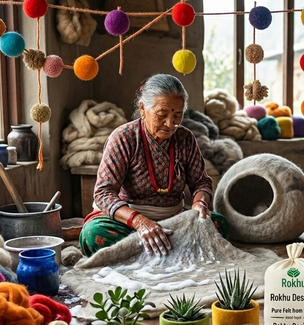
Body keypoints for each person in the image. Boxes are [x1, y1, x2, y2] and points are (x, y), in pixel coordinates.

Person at [80, 74, 224, 256]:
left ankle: (150, 249)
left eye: (177, 115)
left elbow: (201, 182)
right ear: (142, 108)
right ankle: (165, 248)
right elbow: (103, 193)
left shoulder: (185, 138)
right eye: (162, 115)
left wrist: (199, 204)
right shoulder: (124, 138)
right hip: (129, 221)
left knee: (218, 224)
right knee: (93, 235)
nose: (170, 124)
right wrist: (139, 222)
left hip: (174, 220)